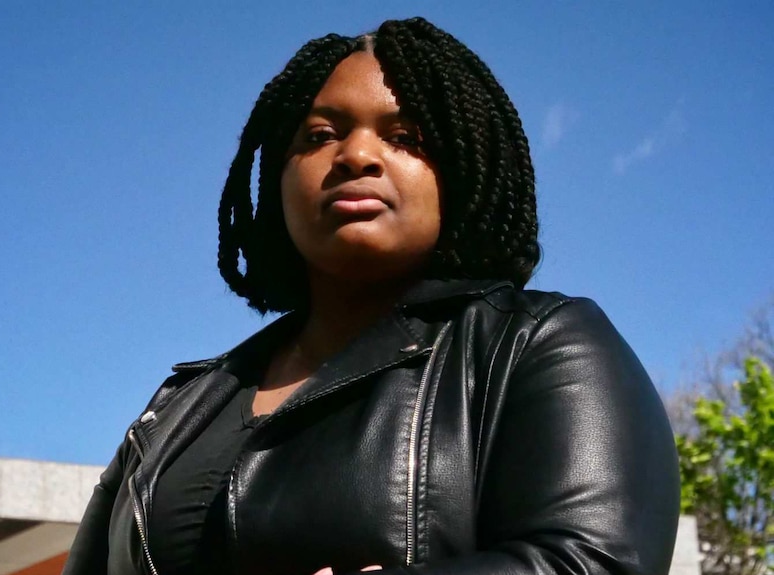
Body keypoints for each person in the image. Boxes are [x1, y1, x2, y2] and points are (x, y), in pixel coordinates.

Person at [63, 16, 680, 575]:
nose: (356, 154)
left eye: (406, 136)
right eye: (319, 135)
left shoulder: (536, 345)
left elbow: (593, 563)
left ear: (465, 168)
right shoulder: (174, 411)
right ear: (277, 177)